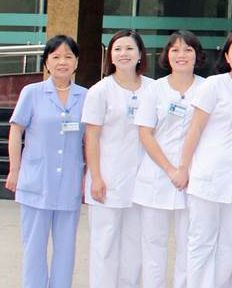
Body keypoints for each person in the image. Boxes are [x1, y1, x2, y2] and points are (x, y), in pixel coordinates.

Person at [178, 30, 232, 288]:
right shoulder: (214, 85)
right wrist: (183, 167)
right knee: (201, 243)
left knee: (228, 246)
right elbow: (195, 129)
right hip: (208, 176)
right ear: (226, 56)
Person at [6, 35, 87, 288]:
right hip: (36, 181)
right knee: (34, 247)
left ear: (76, 62)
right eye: (56, 57)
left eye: (68, 56)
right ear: (46, 62)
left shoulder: (86, 96)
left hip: (70, 182)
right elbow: (16, 131)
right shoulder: (32, 93)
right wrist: (14, 171)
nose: (62, 62)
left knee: (66, 248)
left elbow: (92, 140)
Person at [134, 30, 207, 288]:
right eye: (175, 50)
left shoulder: (206, 88)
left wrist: (184, 170)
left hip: (193, 179)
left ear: (197, 55)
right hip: (156, 177)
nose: (181, 55)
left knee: (190, 245)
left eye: (188, 49)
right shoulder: (154, 89)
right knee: (153, 245)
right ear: (167, 55)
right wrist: (170, 169)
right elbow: (145, 134)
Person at [83, 29, 150, 288]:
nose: (123, 54)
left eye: (129, 48)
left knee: (135, 245)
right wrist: (96, 176)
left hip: (142, 181)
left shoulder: (153, 88)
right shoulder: (100, 91)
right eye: (118, 49)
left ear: (140, 54)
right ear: (110, 55)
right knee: (105, 244)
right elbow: (92, 137)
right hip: (108, 179)